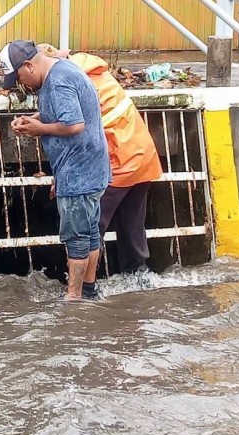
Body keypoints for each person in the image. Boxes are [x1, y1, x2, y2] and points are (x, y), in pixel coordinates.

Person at [38, 45, 162, 284]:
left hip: (116, 162)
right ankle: (137, 282)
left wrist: (63, 177)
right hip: (142, 155)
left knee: (89, 227)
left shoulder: (70, 81)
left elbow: (79, 135)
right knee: (132, 226)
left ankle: (84, 288)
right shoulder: (94, 70)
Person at [1, 40, 110, 301]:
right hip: (91, 168)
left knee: (76, 238)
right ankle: (89, 290)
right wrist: (34, 119)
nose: (22, 84)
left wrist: (40, 129)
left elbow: (74, 125)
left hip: (78, 172)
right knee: (90, 233)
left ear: (28, 65)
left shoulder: (58, 82)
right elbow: (64, 112)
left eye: (19, 77)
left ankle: (73, 298)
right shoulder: (61, 70)